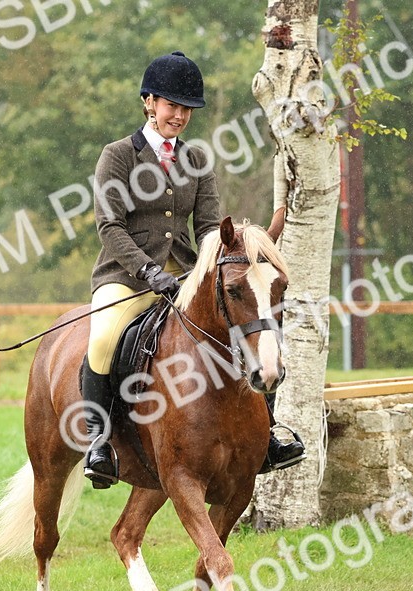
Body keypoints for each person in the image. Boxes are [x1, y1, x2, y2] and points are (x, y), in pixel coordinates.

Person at [80, 51, 305, 489]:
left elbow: (207, 229)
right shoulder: (118, 155)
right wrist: (148, 272)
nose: (179, 116)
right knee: (104, 337)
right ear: (149, 102)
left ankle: (268, 433)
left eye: (187, 109)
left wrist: (231, 255)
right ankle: (98, 442)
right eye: (172, 106)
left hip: (186, 275)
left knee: (252, 329)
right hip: (126, 277)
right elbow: (109, 225)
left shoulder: (197, 160)